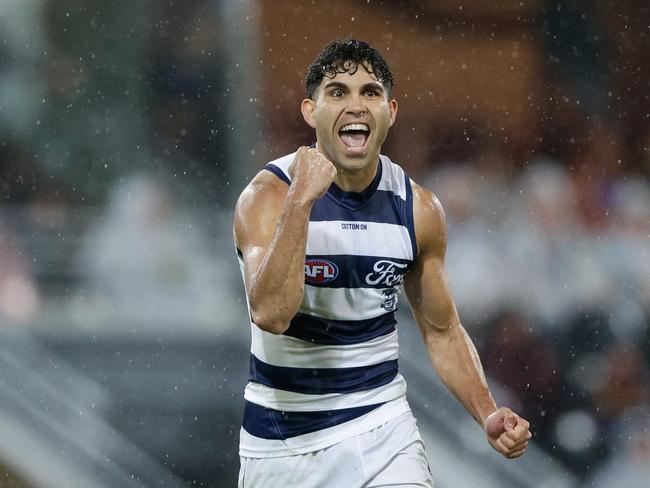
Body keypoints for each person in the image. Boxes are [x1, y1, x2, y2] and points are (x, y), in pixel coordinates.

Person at [233, 39, 531, 487]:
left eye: (369, 93)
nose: (355, 105)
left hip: (381, 432)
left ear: (391, 111)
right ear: (310, 111)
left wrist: (487, 411)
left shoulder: (419, 208)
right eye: (337, 92)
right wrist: (301, 202)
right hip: (279, 445)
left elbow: (442, 329)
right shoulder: (268, 196)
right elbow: (271, 314)